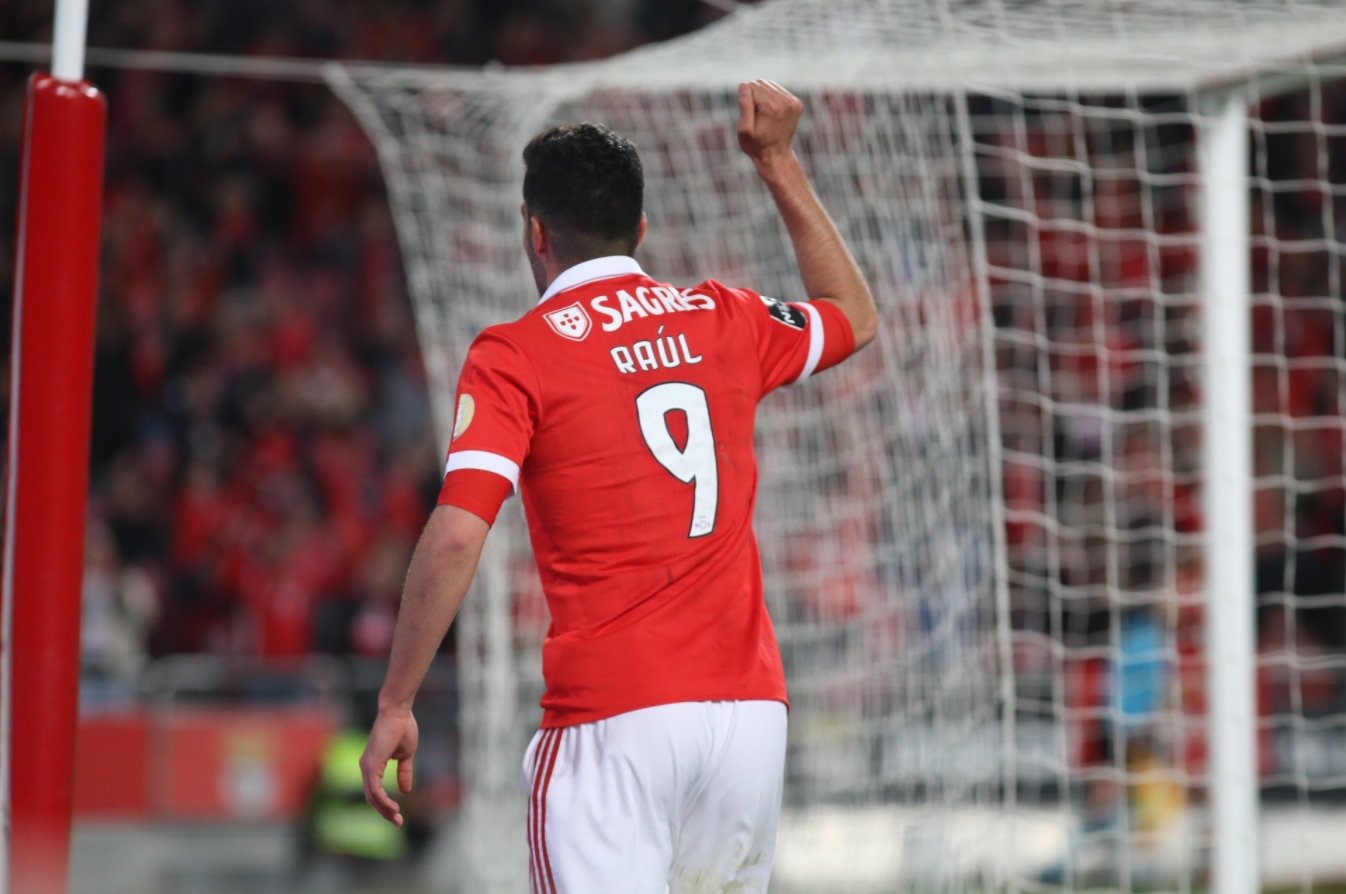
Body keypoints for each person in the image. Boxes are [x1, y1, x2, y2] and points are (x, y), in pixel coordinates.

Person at [359, 79, 877, 894]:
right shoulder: (725, 318)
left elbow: (459, 531)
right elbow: (852, 312)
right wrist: (775, 160)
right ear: (640, 229)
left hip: (615, 718)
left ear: (536, 233)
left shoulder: (516, 355)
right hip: (748, 720)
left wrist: (396, 701)